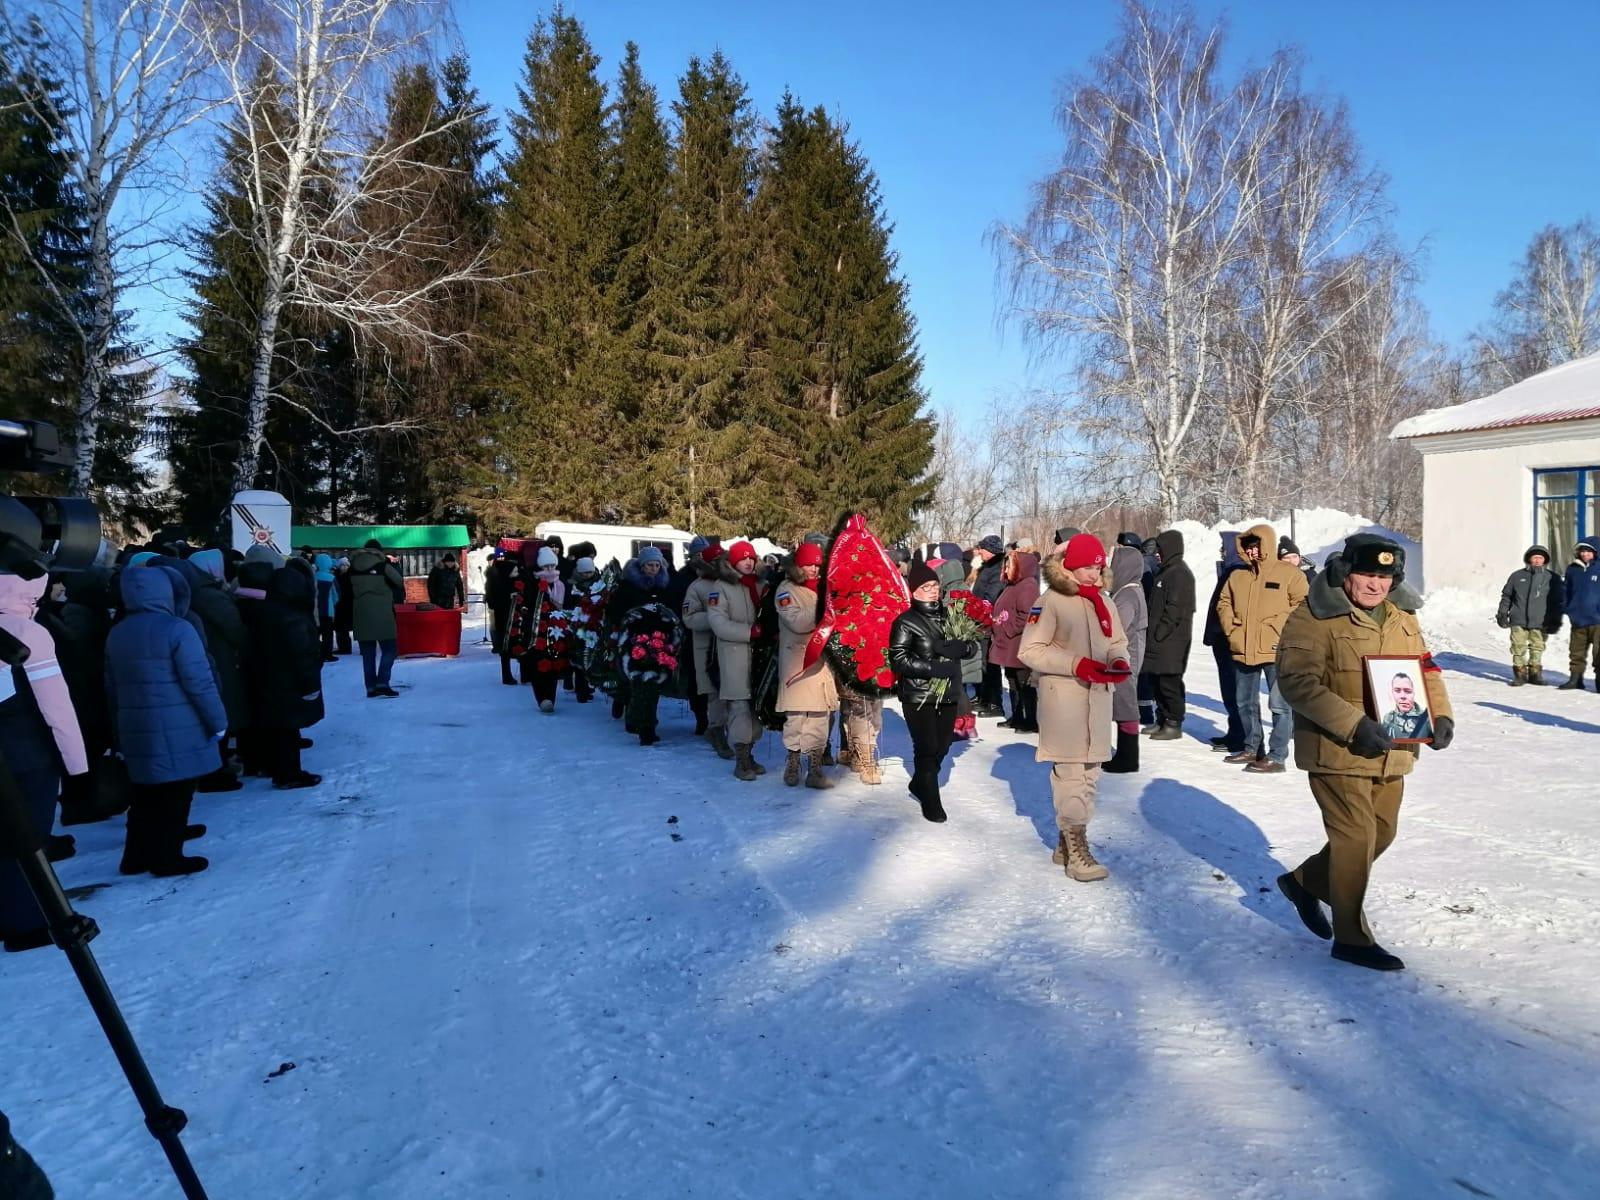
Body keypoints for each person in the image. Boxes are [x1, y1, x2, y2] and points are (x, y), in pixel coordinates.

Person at [1275, 534, 1455, 971]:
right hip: (1337, 748)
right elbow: (1297, 682)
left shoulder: (1402, 616)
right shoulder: (1315, 617)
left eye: (1385, 576)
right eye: (1367, 574)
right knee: (1355, 839)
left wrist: (1441, 715)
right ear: (1345, 572)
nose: (1376, 585)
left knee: (1382, 833)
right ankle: (1352, 938)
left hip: (1393, 748)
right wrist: (1354, 725)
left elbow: (1424, 668)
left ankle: (1306, 882)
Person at [1020, 534, 1130, 881]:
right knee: (1070, 775)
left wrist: (1118, 660)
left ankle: (1066, 840)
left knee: (1090, 774)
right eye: (1087, 568)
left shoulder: (1104, 601)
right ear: (1069, 566)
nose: (1094, 574)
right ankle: (1077, 849)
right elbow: (1030, 651)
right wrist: (1077, 664)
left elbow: (1118, 641)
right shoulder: (1049, 601)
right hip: (1063, 702)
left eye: (1098, 567)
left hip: (1098, 699)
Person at [104, 567, 227, 877]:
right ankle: (167, 857)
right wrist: (218, 720)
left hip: (134, 725)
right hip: (179, 724)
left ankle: (135, 856)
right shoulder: (178, 629)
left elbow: (111, 687)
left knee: (145, 791)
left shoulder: (118, 631)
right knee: (177, 792)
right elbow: (199, 682)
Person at [0, 573, 90, 952]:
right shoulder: (26, 631)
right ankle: (25, 923)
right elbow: (57, 708)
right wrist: (77, 766)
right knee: (25, 839)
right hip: (26, 755)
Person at [1215, 523, 1308, 773]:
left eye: (1256, 546)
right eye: (1248, 547)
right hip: (1243, 648)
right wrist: (1232, 630)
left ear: (1266, 544)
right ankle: (1251, 747)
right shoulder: (1237, 576)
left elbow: (1303, 606)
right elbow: (1223, 603)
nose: (1252, 552)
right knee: (1244, 702)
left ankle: (1277, 756)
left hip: (1278, 649)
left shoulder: (1289, 574)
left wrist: (1277, 625)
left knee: (1279, 705)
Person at [889, 560, 973, 822]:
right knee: (927, 747)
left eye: (935, 585)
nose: (933, 591)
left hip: (948, 691)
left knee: (944, 743)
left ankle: (919, 783)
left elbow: (972, 645)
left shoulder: (951, 616)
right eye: (926, 587)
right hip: (918, 694)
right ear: (914, 591)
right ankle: (931, 798)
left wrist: (964, 648)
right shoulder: (905, 621)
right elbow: (899, 659)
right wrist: (932, 668)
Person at [247, 565, 325, 788]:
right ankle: (289, 774)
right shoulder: (294, 617)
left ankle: (279, 769)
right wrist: (310, 684)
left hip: (270, 679)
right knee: (289, 730)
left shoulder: (265, 611)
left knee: (279, 728)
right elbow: (303, 655)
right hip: (290, 682)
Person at [773, 543, 837, 788]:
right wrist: (825, 608)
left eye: (817, 564)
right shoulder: (785, 590)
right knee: (797, 717)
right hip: (798, 664)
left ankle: (814, 767)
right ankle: (792, 761)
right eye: (808, 564)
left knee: (820, 718)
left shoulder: (824, 589)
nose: (813, 569)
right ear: (798, 565)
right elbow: (798, 622)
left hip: (822, 664)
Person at [707, 541, 765, 780]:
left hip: (758, 656)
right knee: (739, 707)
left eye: (751, 558)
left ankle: (750, 752)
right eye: (743, 559)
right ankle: (741, 758)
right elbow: (718, 623)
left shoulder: (760, 586)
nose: (749, 562)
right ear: (733, 562)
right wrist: (749, 631)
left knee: (755, 708)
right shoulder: (720, 588)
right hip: (733, 655)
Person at [607, 546, 672, 738]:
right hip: (633, 639)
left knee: (652, 684)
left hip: (659, 640)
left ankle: (647, 725)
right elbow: (614, 611)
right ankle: (636, 719)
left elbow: (671, 609)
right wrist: (633, 616)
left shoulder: (664, 585)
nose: (653, 569)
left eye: (657, 565)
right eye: (650, 565)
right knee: (636, 683)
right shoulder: (628, 586)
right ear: (642, 566)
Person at [1141, 530, 1196, 741]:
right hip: (1159, 640)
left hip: (1171, 641)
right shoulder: (1166, 572)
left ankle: (1174, 722)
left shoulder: (1179, 574)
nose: (1156, 554)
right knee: (1157, 682)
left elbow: (1174, 610)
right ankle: (1162, 718)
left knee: (1169, 683)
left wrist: (1159, 632)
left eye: (1160, 550)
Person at [1103, 543, 1148, 774]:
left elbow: (1116, 626)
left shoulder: (1127, 594)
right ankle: (1125, 754)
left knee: (1125, 706)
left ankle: (1128, 757)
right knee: (1123, 705)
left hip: (1125, 659)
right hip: (1126, 657)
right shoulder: (1130, 590)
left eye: (1114, 564)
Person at [1202, 532, 1248, 754]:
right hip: (1222, 639)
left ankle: (1241, 737)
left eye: (1224, 546)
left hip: (1231, 641)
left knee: (1236, 692)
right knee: (1229, 691)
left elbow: (1234, 609)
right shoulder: (1229, 569)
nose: (1221, 549)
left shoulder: (1238, 571)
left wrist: (1227, 632)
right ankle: (1234, 733)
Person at [681, 544, 728, 752]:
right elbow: (689, 617)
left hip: (730, 645)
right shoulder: (697, 587)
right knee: (714, 691)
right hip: (708, 648)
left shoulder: (732, 583)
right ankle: (716, 729)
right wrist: (715, 618)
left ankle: (727, 728)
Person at [989, 548, 1041, 732]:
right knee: (1012, 681)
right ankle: (1017, 716)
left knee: (1024, 683)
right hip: (1009, 643)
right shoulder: (1012, 585)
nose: (1005, 567)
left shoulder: (1028, 585)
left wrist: (1007, 628)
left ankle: (1030, 720)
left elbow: (1031, 615)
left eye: (1009, 564)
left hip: (1019, 643)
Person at [1497, 545, 1563, 686]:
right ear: (1529, 559)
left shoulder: (1552, 578)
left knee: (1537, 646)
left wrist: (1555, 620)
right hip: (1518, 618)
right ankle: (1519, 674)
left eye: (1540, 557)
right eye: (1535, 557)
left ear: (1545, 560)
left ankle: (1535, 674)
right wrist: (1502, 613)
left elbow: (1557, 601)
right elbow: (1507, 596)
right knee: (1518, 646)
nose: (1537, 560)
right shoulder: (1517, 576)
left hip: (1540, 620)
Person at [512, 547, 568, 714]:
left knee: (554, 665)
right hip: (536, 631)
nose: (550, 570)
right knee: (538, 664)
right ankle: (542, 698)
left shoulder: (560, 585)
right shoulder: (533, 584)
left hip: (556, 631)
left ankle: (550, 698)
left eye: (552, 565)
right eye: (546, 567)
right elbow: (526, 606)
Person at [349, 539, 404, 698]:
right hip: (382, 614)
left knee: (368, 654)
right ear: (379, 552)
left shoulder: (353, 567)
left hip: (361, 614)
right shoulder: (382, 566)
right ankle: (382, 683)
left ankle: (371, 688)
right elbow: (399, 582)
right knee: (390, 649)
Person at [970, 535, 1006, 716]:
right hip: (980, 619)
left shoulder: (997, 568)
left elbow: (991, 595)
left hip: (989, 620)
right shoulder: (987, 567)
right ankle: (985, 698)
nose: (979, 551)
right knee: (981, 661)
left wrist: (977, 606)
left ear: (990, 550)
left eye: (982, 549)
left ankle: (995, 703)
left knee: (990, 663)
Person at [1560, 541, 1600, 689]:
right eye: (1582, 551)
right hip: (1578, 618)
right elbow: (1566, 590)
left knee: (1599, 653)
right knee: (1576, 652)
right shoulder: (1573, 569)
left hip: (1598, 620)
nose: (1584, 554)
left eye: (1588, 551)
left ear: (1595, 553)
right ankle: (1575, 679)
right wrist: (1568, 608)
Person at [1378, 672, 1433, 741]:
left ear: (1413, 693)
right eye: (1397, 691)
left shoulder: (1427, 719)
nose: (1402, 696)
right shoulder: (1387, 718)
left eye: (1407, 691)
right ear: (1393, 693)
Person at [484, 548, 516, 665]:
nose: (501, 559)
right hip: (494, 602)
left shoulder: (505, 569)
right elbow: (489, 588)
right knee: (494, 625)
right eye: (499, 557)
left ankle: (501, 644)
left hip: (503, 603)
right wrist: (490, 601)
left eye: (503, 557)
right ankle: (496, 644)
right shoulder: (492, 571)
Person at [332, 556, 355, 655]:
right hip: (340, 604)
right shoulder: (337, 576)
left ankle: (345, 647)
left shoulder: (349, 577)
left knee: (342, 627)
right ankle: (343, 646)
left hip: (347, 604)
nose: (344, 567)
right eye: (342, 565)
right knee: (340, 627)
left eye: (346, 565)